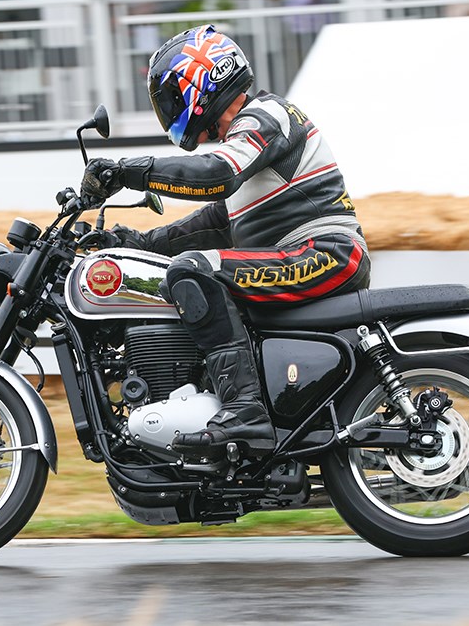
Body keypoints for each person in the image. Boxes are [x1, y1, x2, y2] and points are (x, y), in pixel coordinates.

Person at [80, 25, 370, 457]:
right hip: (303, 256)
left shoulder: (266, 115)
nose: (170, 111)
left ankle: (244, 411)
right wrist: (136, 243)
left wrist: (128, 171)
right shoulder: (245, 142)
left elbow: (216, 174)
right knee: (188, 263)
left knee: (193, 270)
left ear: (202, 80)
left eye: (172, 99)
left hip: (325, 254)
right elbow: (213, 223)